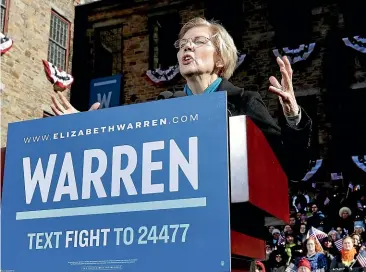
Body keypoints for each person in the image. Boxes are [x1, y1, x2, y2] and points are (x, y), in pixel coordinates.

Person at [50, 17, 312, 180]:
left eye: (199, 41)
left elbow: (293, 167)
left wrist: (292, 114)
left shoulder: (245, 102)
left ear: (220, 58)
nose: (187, 47)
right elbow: (126, 147)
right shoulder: (164, 104)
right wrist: (85, 128)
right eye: (182, 44)